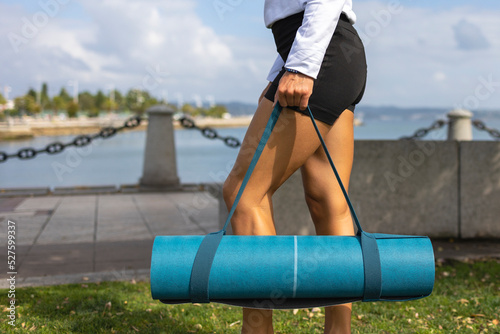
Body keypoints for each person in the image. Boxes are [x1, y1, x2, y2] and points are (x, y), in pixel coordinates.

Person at [222, 0, 367, 333]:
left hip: (318, 56)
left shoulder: (308, 59)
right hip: (331, 54)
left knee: (244, 194)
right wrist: (282, 71)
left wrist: (302, 66)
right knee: (329, 200)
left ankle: (257, 330)